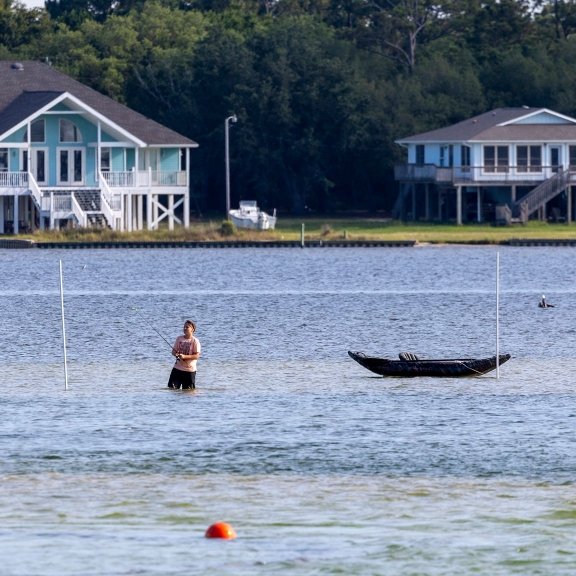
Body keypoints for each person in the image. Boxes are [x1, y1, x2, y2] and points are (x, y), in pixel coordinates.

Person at [167, 320, 201, 389]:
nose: (185, 328)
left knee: (188, 392)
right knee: (172, 389)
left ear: (192, 329)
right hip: (177, 369)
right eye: (184, 327)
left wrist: (185, 356)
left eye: (187, 327)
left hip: (189, 371)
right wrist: (176, 354)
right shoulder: (179, 338)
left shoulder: (195, 341)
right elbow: (173, 352)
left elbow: (197, 356)